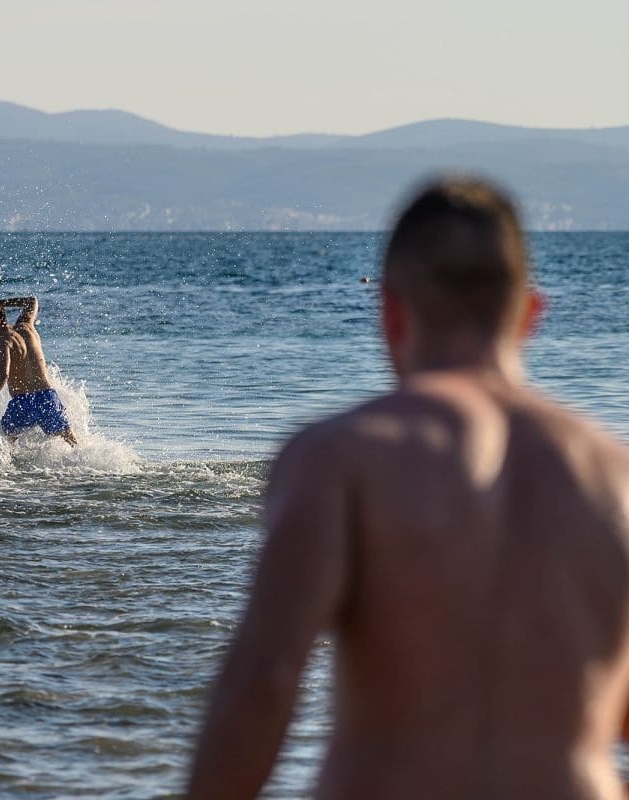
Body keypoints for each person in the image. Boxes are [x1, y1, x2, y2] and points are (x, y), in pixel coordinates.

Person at [186, 177, 629, 799]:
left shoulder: (341, 457)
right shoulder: (616, 476)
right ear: (531, 314)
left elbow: (266, 681)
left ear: (390, 312)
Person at [0, 295, 78, 447]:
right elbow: (32, 301)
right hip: (47, 398)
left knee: (4, 444)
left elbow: (2, 375)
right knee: (72, 443)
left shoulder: (2, 342)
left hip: (23, 403)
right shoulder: (27, 327)